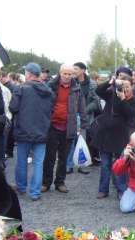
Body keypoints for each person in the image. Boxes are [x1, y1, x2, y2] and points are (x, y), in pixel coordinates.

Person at [9, 63, 54, 201]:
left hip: (24, 131)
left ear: (28, 74)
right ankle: (35, 192)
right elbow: (50, 109)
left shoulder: (20, 88)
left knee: (22, 161)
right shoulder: (48, 90)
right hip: (42, 131)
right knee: (39, 163)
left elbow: (13, 108)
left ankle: (21, 187)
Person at [94, 68, 135, 199]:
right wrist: (110, 82)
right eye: (122, 86)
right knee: (105, 164)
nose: (124, 89)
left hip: (121, 136)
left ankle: (121, 189)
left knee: (120, 164)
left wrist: (123, 99)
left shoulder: (133, 100)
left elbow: (132, 115)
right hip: (105, 134)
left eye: (127, 86)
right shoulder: (111, 94)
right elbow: (98, 91)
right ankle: (103, 189)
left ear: (132, 86)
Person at [42, 64, 87, 193]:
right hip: (52, 126)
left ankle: (60, 182)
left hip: (69, 127)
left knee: (64, 157)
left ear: (73, 75)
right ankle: (46, 182)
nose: (67, 76)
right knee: (49, 157)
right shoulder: (50, 86)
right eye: (65, 73)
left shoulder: (77, 88)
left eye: (70, 74)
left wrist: (83, 126)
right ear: (60, 73)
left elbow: (82, 108)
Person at [66, 62, 97, 175]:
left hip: (85, 117)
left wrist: (86, 110)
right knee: (70, 141)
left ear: (83, 70)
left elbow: (96, 100)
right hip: (72, 116)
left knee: (81, 141)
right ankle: (68, 165)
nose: (73, 71)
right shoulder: (70, 82)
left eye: (76, 69)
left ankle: (81, 165)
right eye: (73, 68)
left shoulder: (91, 84)